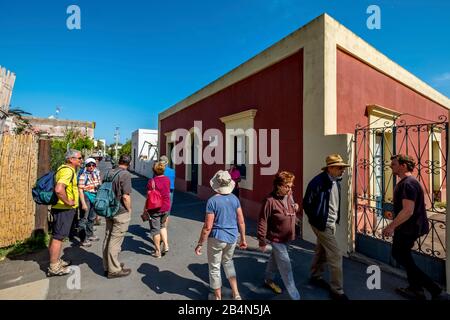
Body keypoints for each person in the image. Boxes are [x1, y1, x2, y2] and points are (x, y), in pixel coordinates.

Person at [382, 154, 445, 300]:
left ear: (403, 166)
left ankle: (433, 289)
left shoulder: (408, 184)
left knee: (400, 255)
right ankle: (416, 289)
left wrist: (391, 227)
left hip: (408, 228)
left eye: (394, 164)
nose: (391, 167)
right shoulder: (409, 182)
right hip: (409, 227)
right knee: (405, 256)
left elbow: (408, 211)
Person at [303, 154, 350, 300]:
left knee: (321, 250)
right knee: (335, 254)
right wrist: (317, 220)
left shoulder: (336, 181)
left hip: (330, 223)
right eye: (340, 167)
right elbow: (307, 204)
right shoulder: (317, 182)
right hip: (321, 224)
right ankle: (337, 290)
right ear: (330, 168)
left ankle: (315, 275)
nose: (343, 170)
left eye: (343, 167)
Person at [195, 170, 247, 300]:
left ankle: (217, 297)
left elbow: (208, 227)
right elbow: (241, 220)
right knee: (228, 263)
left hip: (216, 238)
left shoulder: (212, 201)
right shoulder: (235, 199)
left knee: (214, 267)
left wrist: (200, 243)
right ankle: (236, 294)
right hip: (232, 237)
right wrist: (243, 239)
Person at [257, 171, 301, 300]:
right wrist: (262, 240)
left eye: (291, 186)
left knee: (275, 259)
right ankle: (294, 294)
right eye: (287, 186)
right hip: (276, 238)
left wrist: (296, 207)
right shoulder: (269, 201)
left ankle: (268, 279)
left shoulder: (289, 195)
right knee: (286, 265)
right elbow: (262, 220)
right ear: (278, 185)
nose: (289, 188)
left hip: (287, 236)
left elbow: (291, 207)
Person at [47, 149, 82, 276]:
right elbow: (59, 189)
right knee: (58, 237)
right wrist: (68, 202)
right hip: (64, 209)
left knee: (56, 235)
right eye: (79, 158)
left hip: (60, 208)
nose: (81, 160)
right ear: (71, 159)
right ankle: (54, 267)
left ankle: (55, 261)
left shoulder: (64, 169)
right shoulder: (67, 171)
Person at [103, 155, 133, 278]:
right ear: (129, 163)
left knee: (108, 238)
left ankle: (108, 265)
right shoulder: (125, 174)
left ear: (119, 161)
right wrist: (129, 209)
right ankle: (114, 270)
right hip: (120, 211)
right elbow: (125, 196)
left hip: (108, 209)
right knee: (115, 241)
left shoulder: (109, 172)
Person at [144, 161, 171, 258]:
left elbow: (148, 196)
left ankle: (158, 252)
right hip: (166, 207)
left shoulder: (151, 181)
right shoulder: (167, 179)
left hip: (155, 208)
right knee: (163, 226)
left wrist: (145, 209)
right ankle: (166, 245)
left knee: (155, 230)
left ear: (154, 170)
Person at [78, 157, 102, 247]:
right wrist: (83, 203)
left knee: (91, 217)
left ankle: (90, 234)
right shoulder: (83, 176)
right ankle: (83, 239)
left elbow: (99, 185)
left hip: (94, 196)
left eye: (93, 165)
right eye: (89, 165)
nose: (91, 167)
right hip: (86, 196)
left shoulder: (96, 174)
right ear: (86, 166)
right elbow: (80, 190)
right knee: (84, 218)